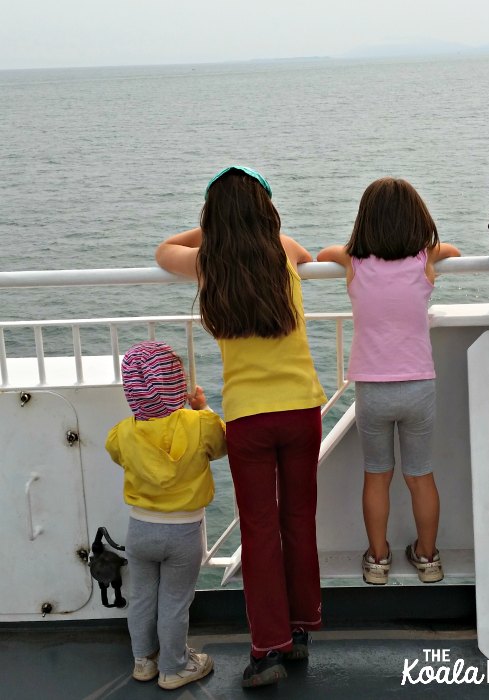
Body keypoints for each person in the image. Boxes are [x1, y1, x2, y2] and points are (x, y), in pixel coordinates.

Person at [154, 165, 327, 688]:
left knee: (258, 532)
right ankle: (300, 630)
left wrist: (211, 230)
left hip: (249, 418)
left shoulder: (210, 263)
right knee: (298, 521)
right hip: (303, 411)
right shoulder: (285, 249)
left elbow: (163, 251)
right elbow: (308, 258)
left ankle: (266, 647)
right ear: (266, 211)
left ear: (215, 220)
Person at [318, 177, 460, 585]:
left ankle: (377, 560)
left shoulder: (354, 264)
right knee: (420, 475)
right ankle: (428, 558)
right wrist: (431, 249)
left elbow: (325, 253)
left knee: (376, 475)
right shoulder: (424, 261)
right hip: (419, 387)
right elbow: (454, 250)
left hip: (373, 389)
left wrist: (352, 251)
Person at [105, 340, 227, 690]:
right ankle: (174, 667)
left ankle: (144, 661)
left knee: (143, 596)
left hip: (140, 529)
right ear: (176, 381)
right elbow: (220, 445)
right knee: (175, 601)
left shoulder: (123, 433)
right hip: (184, 532)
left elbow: (116, 452)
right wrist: (202, 408)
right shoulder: (199, 423)